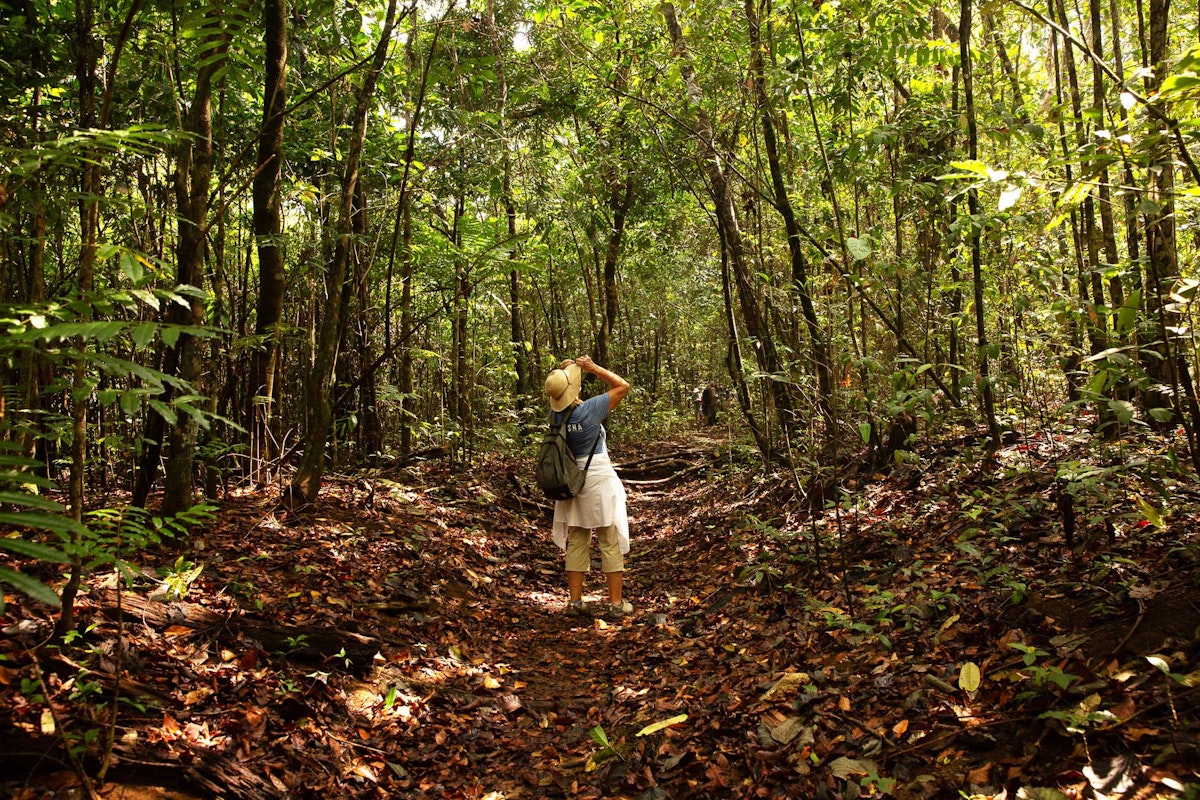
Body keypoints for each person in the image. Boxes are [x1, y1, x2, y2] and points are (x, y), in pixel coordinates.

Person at [543, 356, 632, 620]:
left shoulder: (555, 414)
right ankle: (616, 604)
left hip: (570, 479)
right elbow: (622, 386)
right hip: (598, 480)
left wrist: (565, 372)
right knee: (608, 538)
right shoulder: (590, 410)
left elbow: (561, 392)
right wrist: (593, 368)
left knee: (578, 540)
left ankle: (575, 602)